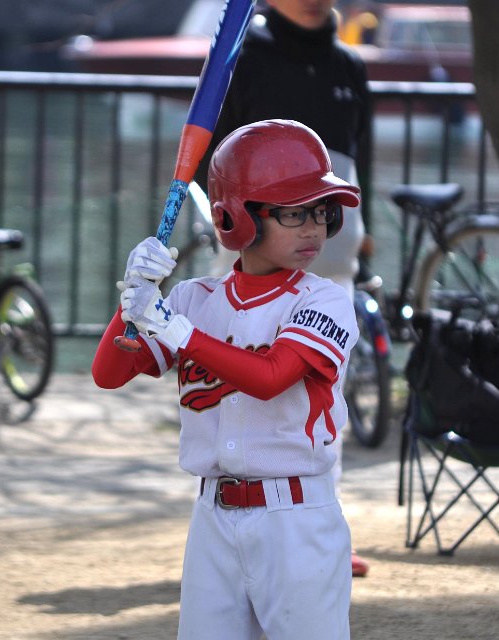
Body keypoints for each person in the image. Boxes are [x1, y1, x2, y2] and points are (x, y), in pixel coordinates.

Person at [92, 119, 359, 640]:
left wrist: (177, 331)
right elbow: (109, 373)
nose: (313, 227)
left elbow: (271, 377)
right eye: (293, 212)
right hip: (212, 518)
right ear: (236, 217)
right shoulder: (194, 299)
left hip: (296, 519)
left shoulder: (324, 299)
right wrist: (133, 297)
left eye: (322, 211)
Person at [196, 0, 374, 577]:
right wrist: (230, 223)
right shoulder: (247, 54)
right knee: (238, 384)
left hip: (330, 252)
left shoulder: (349, 64)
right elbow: (212, 152)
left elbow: (361, 158)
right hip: (252, 249)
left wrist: (362, 228)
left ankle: (323, 521)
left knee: (322, 392)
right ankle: (233, 515)